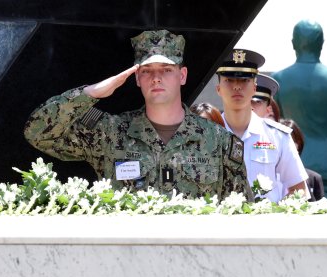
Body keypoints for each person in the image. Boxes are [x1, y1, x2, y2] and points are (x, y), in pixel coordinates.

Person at [24, 29, 249, 199]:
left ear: (182, 76)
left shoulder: (219, 142)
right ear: (137, 78)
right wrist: (91, 93)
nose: (156, 78)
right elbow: (38, 132)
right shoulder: (111, 134)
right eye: (147, 71)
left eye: (166, 70)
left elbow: (240, 213)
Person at [272, 20, 327, 200]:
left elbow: (273, 123)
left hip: (291, 158)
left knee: (292, 212)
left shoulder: (278, 79)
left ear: (293, 43)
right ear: (322, 43)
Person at [215, 49, 308, 202]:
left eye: (245, 80)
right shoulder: (204, 136)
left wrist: (278, 214)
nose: (237, 86)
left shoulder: (278, 136)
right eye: (229, 80)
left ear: (254, 88)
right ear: (218, 89)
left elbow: (299, 189)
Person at [280, 118, 324, 201]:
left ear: (299, 144)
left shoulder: (314, 178)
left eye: (292, 142)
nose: (287, 147)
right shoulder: (267, 178)